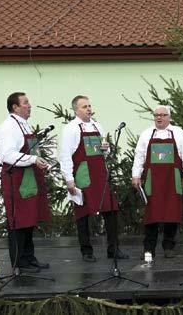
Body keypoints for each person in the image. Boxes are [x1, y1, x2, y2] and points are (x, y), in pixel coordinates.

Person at [59, 95, 128, 262]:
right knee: (83, 214)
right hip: (83, 175)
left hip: (100, 175)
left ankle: (113, 248)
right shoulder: (71, 129)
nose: (89, 108)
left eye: (89, 105)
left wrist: (106, 148)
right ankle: (86, 251)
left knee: (111, 210)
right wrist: (69, 179)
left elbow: (106, 152)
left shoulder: (97, 125)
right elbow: (65, 155)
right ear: (76, 110)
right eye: (84, 106)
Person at [0, 92, 51, 273]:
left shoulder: (25, 125)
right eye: (26, 103)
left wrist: (39, 160)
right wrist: (33, 160)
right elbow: (7, 155)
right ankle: (19, 262)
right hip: (16, 180)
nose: (30, 105)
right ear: (15, 107)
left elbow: (31, 150)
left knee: (30, 219)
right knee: (18, 220)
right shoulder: (9, 126)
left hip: (29, 178)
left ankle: (29, 257)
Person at [132, 105, 183, 259]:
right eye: (156, 115)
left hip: (173, 180)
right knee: (151, 215)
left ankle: (169, 246)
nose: (159, 118)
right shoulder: (146, 134)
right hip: (152, 180)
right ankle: (148, 249)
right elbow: (139, 156)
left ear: (169, 117)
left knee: (172, 213)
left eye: (162, 115)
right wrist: (136, 175)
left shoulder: (179, 134)